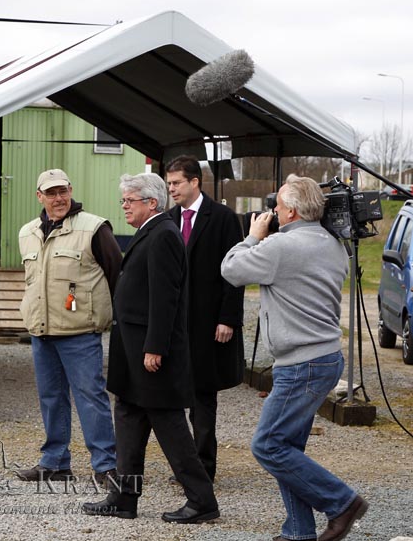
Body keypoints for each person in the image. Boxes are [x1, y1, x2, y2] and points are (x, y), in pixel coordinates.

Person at [221, 174, 367, 541]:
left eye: (277, 207)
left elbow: (231, 269)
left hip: (302, 364)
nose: (272, 212)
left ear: (289, 211)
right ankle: (299, 531)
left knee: (268, 445)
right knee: (288, 450)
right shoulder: (332, 245)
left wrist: (254, 235)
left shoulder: (280, 249)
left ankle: (342, 502)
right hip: (325, 358)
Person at [83, 172, 219, 523]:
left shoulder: (163, 236)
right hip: (133, 351)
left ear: (152, 203)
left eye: (130, 200)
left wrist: (155, 346)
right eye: (124, 199)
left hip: (151, 353)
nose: (124, 205)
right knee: (128, 419)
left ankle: (202, 500)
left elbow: (166, 297)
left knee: (170, 426)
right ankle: (124, 497)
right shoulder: (151, 232)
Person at [16, 168, 119, 485]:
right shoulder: (27, 233)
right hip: (42, 332)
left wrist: (123, 323)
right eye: (51, 193)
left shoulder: (94, 228)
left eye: (63, 191)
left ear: (71, 191)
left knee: (91, 398)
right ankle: (56, 463)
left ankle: (105, 466)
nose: (58, 198)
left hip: (80, 332)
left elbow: (118, 275)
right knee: (51, 398)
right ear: (39, 197)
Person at [165, 155, 245, 483]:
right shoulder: (168, 219)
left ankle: (202, 468)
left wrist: (228, 318)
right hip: (176, 327)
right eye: (169, 184)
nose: (172, 189)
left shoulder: (223, 218)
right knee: (173, 397)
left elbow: (235, 272)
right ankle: (184, 464)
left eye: (177, 183)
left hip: (208, 323)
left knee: (202, 399)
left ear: (195, 182)